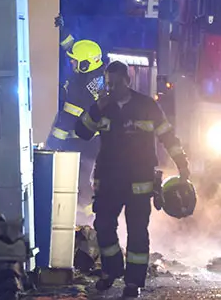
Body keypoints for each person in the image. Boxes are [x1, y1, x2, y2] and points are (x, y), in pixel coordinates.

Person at [74, 61, 190, 298]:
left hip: (139, 181)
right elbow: (82, 132)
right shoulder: (102, 107)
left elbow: (168, 136)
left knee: (137, 232)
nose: (112, 88)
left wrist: (182, 164)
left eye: (117, 83)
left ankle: (133, 282)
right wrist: (96, 108)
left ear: (127, 81)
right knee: (103, 226)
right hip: (108, 179)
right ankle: (112, 270)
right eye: (109, 84)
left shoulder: (147, 106)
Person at [46, 15, 106, 225]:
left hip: (83, 143)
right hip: (94, 141)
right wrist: (63, 31)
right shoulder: (96, 73)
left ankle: (87, 219)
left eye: (74, 61)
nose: (71, 62)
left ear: (85, 64)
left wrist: (51, 145)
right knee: (85, 178)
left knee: (81, 180)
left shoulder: (81, 90)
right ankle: (87, 215)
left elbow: (66, 120)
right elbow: (74, 48)